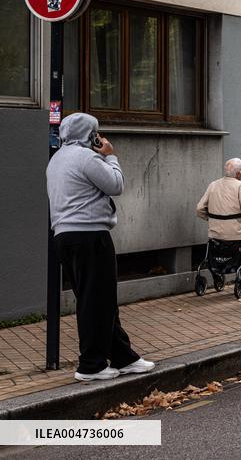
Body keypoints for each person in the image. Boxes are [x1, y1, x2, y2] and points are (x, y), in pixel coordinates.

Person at [46, 112, 154, 382]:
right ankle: (91, 365)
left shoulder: (56, 159)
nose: (100, 136)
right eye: (97, 132)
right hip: (90, 235)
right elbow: (116, 185)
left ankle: (123, 357)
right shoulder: (86, 157)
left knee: (97, 299)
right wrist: (111, 155)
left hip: (64, 236)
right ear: (90, 135)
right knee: (97, 301)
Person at [196, 157, 241, 296]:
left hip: (215, 235)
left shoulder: (213, 185)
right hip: (236, 235)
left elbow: (199, 209)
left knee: (224, 249)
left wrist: (212, 219)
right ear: (238, 174)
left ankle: (219, 274)